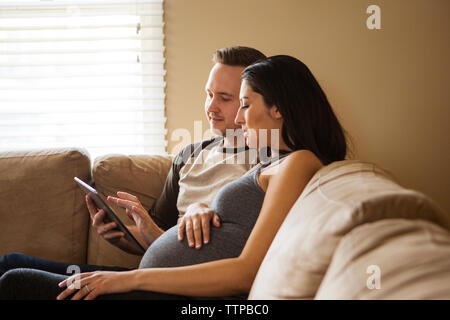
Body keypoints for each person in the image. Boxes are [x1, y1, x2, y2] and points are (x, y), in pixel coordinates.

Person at [0, 55, 348, 300]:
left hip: (185, 294)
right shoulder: (272, 164)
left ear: (279, 109)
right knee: (12, 267)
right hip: (163, 284)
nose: (238, 118)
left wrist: (129, 280)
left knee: (15, 282)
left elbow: (247, 271)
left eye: (243, 103)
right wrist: (193, 208)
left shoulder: (299, 162)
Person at [0, 46, 266, 277]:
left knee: (15, 276)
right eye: (209, 94)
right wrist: (122, 235)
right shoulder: (190, 155)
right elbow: (158, 233)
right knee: (10, 265)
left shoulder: (267, 163)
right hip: (151, 272)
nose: (210, 107)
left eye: (225, 98)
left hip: (184, 280)